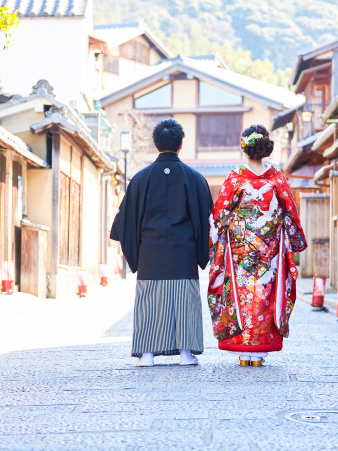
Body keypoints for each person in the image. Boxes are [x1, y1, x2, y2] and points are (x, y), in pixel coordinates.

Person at [111, 119, 213, 367]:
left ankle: (146, 354)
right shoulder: (195, 178)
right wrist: (203, 251)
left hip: (150, 253)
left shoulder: (140, 179)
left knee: (149, 303)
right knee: (185, 302)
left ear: (156, 144)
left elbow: (126, 221)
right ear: (180, 145)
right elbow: (207, 220)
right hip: (184, 253)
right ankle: (186, 354)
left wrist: (136, 251)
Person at [208, 124, 307, 366]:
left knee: (241, 295)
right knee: (265, 294)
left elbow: (220, 212)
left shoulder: (236, 176)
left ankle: (243, 350)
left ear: (244, 148)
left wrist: (215, 238)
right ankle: (260, 351)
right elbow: (291, 212)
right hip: (269, 250)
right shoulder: (277, 177)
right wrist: (294, 238)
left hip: (240, 249)